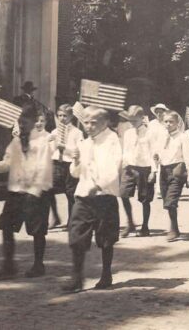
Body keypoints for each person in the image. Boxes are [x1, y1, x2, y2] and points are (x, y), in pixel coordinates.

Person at [0, 105, 54, 279]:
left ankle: (38, 264)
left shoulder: (42, 141)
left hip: (36, 192)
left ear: (34, 122)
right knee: (6, 225)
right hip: (16, 191)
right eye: (19, 122)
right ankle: (9, 264)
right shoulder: (15, 142)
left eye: (25, 122)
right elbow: (7, 163)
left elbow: (44, 168)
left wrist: (34, 192)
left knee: (37, 230)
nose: (21, 125)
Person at [61, 106, 122, 292]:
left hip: (104, 196)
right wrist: (76, 161)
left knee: (105, 237)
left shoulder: (112, 140)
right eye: (86, 122)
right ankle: (77, 277)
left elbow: (114, 167)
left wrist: (100, 185)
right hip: (84, 195)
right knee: (77, 234)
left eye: (93, 123)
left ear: (105, 123)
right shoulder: (85, 143)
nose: (88, 126)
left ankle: (106, 273)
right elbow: (76, 173)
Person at [152, 110, 189, 242]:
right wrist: (156, 159)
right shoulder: (162, 136)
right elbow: (157, 152)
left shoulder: (182, 137)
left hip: (177, 170)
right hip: (164, 170)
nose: (168, 124)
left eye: (171, 122)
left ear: (177, 123)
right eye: (166, 122)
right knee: (166, 201)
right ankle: (175, 227)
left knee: (171, 201)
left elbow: (188, 156)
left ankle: (173, 230)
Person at [119, 106, 156, 238]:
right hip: (129, 167)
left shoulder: (150, 133)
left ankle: (145, 226)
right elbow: (126, 150)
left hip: (144, 168)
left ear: (142, 118)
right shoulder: (128, 133)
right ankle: (130, 222)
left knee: (145, 199)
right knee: (123, 194)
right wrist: (124, 164)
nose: (132, 123)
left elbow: (154, 153)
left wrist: (154, 171)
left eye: (135, 120)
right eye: (130, 120)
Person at [50, 104, 83, 229]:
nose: (62, 118)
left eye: (65, 115)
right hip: (56, 162)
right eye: (59, 115)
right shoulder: (55, 131)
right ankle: (55, 216)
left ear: (71, 116)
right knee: (48, 190)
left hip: (69, 163)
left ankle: (71, 220)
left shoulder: (77, 132)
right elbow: (50, 148)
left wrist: (66, 148)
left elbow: (78, 151)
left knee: (70, 193)